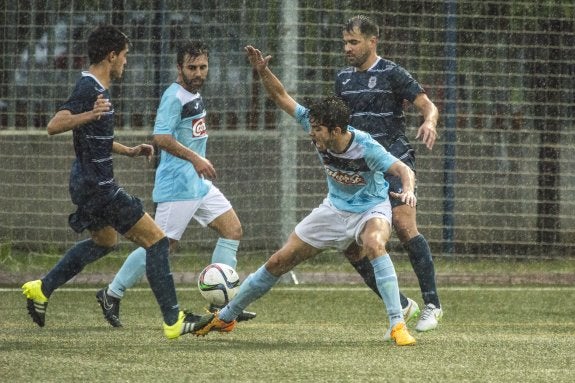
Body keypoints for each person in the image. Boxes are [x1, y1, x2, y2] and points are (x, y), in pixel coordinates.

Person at [191, 45, 418, 346]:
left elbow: (404, 170)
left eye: (319, 130)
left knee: (375, 243)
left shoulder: (366, 146)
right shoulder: (315, 124)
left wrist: (409, 190)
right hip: (333, 210)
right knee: (277, 262)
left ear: (337, 130)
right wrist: (263, 71)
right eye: (312, 127)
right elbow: (281, 96)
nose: (312, 134)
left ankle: (397, 325)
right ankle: (227, 316)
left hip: (370, 209)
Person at [21, 25, 210, 340]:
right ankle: (174, 320)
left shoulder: (97, 90)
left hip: (85, 182)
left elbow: (95, 138)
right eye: (124, 56)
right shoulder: (89, 89)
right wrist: (89, 115)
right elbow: (55, 125)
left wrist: (129, 150)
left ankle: (42, 289)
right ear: (111, 56)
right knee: (157, 241)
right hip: (99, 187)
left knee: (105, 241)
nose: (126, 62)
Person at [94, 39, 255, 328]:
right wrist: (195, 158)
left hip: (198, 183)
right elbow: (161, 137)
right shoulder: (174, 96)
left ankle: (224, 304)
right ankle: (111, 293)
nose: (198, 73)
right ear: (179, 67)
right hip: (177, 186)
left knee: (232, 229)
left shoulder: (194, 93)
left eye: (203, 67)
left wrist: (196, 163)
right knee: (160, 245)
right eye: (192, 67)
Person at [335, 15, 442, 332]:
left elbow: (428, 105)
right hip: (360, 168)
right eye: (345, 42)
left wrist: (430, 121)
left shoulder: (392, 73)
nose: (348, 48)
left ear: (372, 41)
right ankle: (404, 305)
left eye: (354, 42)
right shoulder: (342, 80)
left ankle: (433, 305)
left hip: (394, 158)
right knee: (352, 245)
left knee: (404, 223)